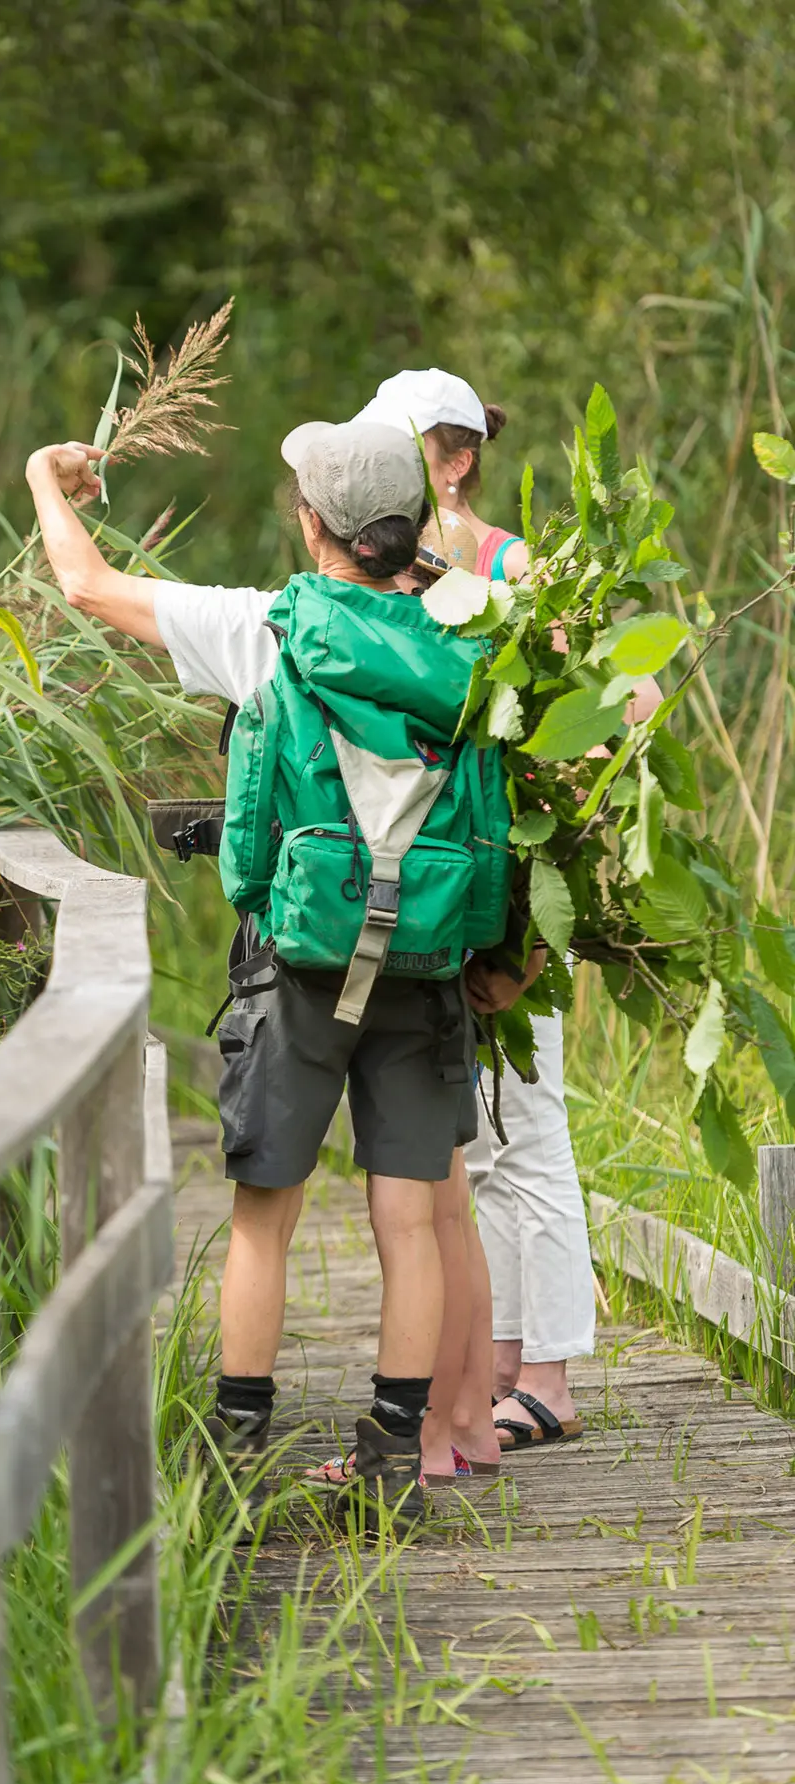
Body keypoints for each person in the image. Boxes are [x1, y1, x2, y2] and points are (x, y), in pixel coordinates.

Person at [25, 418, 540, 1529]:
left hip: (298, 964)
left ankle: (234, 1451)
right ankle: (393, 1459)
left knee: (266, 1212)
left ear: (311, 522)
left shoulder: (265, 627)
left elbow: (83, 582)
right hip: (427, 960)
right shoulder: (473, 639)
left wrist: (42, 477)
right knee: (411, 1221)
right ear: (405, 526)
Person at [357, 368, 660, 1453]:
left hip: (514, 882)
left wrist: (563, 847)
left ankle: (555, 1375)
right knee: (464, 1143)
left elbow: (632, 699)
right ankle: (493, 1366)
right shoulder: (381, 572)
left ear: (456, 457)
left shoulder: (509, 566)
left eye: (409, 450)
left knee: (529, 1125)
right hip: (434, 883)